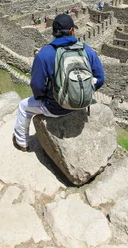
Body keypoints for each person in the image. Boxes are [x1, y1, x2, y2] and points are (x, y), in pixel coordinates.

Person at [12, 14, 104, 152]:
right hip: (83, 103)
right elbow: (100, 78)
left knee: (23, 107)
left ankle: (21, 142)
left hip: (56, 107)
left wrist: (44, 98)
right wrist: (83, 92)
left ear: (54, 33)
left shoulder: (45, 54)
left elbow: (37, 85)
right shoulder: (86, 50)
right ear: (72, 31)